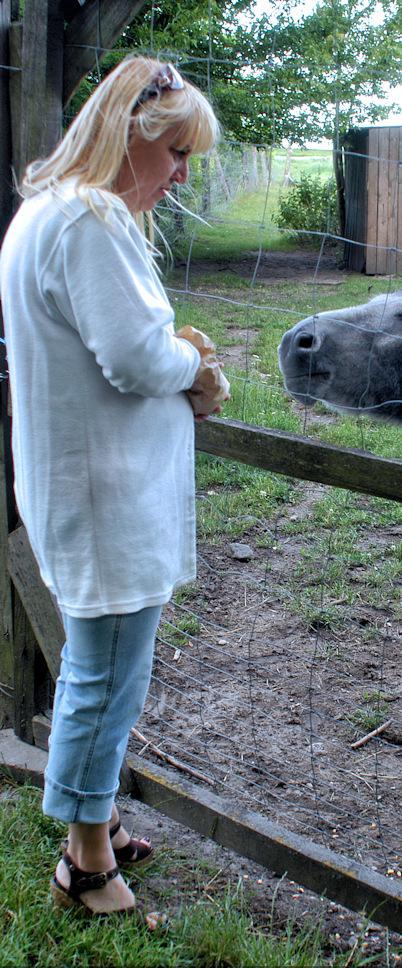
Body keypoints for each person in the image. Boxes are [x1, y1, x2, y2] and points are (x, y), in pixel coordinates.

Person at [0, 55, 226, 916]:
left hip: (83, 484)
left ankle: (94, 822)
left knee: (98, 672)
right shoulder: (89, 218)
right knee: (106, 679)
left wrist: (173, 352)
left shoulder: (46, 210)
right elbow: (134, 357)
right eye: (176, 153)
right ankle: (85, 864)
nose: (180, 176)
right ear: (131, 134)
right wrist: (194, 363)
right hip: (106, 495)